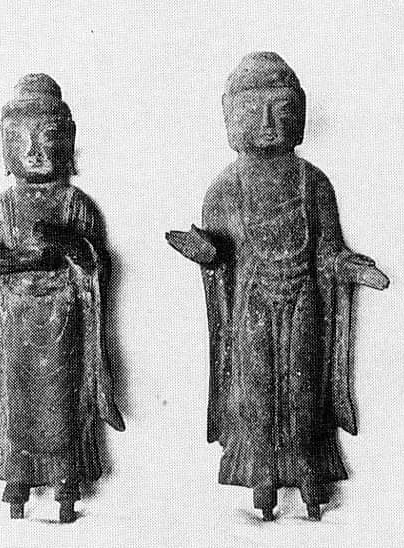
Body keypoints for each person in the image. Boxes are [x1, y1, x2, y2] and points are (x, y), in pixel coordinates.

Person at [166, 52, 389, 520]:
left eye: (281, 110)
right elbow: (221, 256)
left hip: (303, 298)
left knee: (304, 388)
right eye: (254, 111)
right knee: (257, 388)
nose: (268, 123)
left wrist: (350, 267)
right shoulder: (225, 187)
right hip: (251, 302)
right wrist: (205, 252)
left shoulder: (312, 183)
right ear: (231, 117)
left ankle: (309, 473)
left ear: (299, 116)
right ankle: (261, 476)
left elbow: (327, 251)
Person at [0, 74, 124, 523]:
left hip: (63, 321)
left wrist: (68, 245)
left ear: (67, 141)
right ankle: (17, 478)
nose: (34, 149)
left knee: (62, 402)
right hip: (13, 322)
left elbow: (96, 265)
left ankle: (66, 482)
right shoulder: (4, 206)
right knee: (15, 402)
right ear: (5, 145)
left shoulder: (76, 203)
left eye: (47, 136)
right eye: (21, 138)